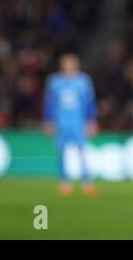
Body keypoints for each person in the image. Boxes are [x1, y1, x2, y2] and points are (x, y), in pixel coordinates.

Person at [43, 53, 99, 196]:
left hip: (78, 122)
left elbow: (89, 103)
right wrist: (48, 120)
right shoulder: (54, 81)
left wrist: (91, 120)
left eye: (72, 63)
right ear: (62, 65)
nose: (69, 65)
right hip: (60, 121)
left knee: (82, 151)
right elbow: (49, 102)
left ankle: (87, 181)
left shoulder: (83, 81)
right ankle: (64, 181)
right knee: (61, 151)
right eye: (67, 63)